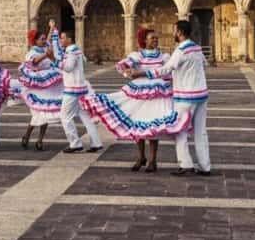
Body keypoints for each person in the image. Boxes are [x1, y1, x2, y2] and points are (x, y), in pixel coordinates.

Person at [81, 27, 191, 172]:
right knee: (137, 124)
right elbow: (122, 65)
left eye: (156, 38)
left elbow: (169, 70)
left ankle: (152, 160)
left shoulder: (163, 57)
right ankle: (141, 157)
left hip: (157, 93)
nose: (155, 40)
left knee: (153, 128)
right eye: (152, 38)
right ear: (144, 40)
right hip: (139, 92)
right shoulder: (138, 55)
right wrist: (128, 71)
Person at [133, 19, 210, 176]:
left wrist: (141, 73)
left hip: (186, 97)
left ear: (180, 32)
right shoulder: (196, 48)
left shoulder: (181, 50)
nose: (173, 33)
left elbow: (165, 69)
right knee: (201, 132)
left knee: (180, 131)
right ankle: (205, 166)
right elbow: (204, 64)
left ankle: (185, 164)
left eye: (174, 30)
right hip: (201, 94)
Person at [16, 24, 63, 150]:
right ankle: (27, 135)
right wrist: (46, 55)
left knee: (46, 114)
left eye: (43, 39)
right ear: (35, 41)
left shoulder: (44, 47)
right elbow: (34, 62)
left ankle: (39, 140)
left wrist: (51, 28)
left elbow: (48, 40)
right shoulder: (32, 53)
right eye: (41, 39)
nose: (44, 41)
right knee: (38, 114)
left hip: (48, 87)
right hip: (38, 88)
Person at [58, 29, 103, 154]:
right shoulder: (76, 50)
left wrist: (56, 62)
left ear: (69, 39)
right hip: (81, 88)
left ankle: (75, 144)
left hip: (73, 89)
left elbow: (69, 67)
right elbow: (84, 62)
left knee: (65, 116)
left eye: (62, 38)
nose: (61, 40)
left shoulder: (71, 51)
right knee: (86, 116)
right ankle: (96, 143)